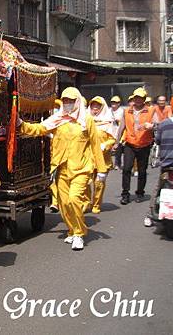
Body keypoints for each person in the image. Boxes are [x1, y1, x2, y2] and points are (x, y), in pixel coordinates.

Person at [18, 87, 107, 251]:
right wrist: (21, 124)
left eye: (71, 101)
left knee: (74, 199)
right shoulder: (58, 118)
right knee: (64, 203)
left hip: (81, 168)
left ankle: (79, 233)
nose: (67, 103)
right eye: (65, 100)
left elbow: (95, 145)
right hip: (62, 168)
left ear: (77, 102)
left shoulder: (86, 121)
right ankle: (72, 229)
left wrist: (101, 170)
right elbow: (40, 129)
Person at [120, 88, 155, 205]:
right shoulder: (127, 111)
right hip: (130, 143)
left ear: (144, 99)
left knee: (142, 170)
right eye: (136, 98)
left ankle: (140, 192)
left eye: (140, 98)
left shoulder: (150, 111)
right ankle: (125, 194)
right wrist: (116, 142)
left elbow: (157, 123)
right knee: (126, 169)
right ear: (133, 98)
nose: (138, 100)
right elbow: (122, 127)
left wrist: (152, 126)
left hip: (144, 144)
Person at [87, 97, 117, 213]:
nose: (95, 108)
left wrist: (105, 145)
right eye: (93, 106)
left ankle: (96, 204)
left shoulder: (108, 122)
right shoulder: (85, 121)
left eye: (97, 106)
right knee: (86, 181)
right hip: (88, 157)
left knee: (99, 182)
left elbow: (112, 139)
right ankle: (87, 202)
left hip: (103, 159)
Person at [145, 113, 173, 227]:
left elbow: (157, 140)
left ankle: (150, 213)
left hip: (167, 164)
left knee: (159, 187)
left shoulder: (163, 124)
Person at [49, 99, 63, 213]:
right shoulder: (52, 120)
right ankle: (55, 202)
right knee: (52, 180)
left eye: (57, 107)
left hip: (64, 158)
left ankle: (56, 201)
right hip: (52, 156)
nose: (55, 109)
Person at [110, 96, 124, 170]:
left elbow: (122, 121)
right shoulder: (109, 111)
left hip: (118, 131)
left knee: (118, 149)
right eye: (112, 102)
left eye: (115, 102)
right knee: (109, 148)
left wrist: (117, 120)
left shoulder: (121, 111)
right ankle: (110, 164)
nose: (113, 104)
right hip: (110, 131)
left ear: (119, 103)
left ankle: (117, 164)